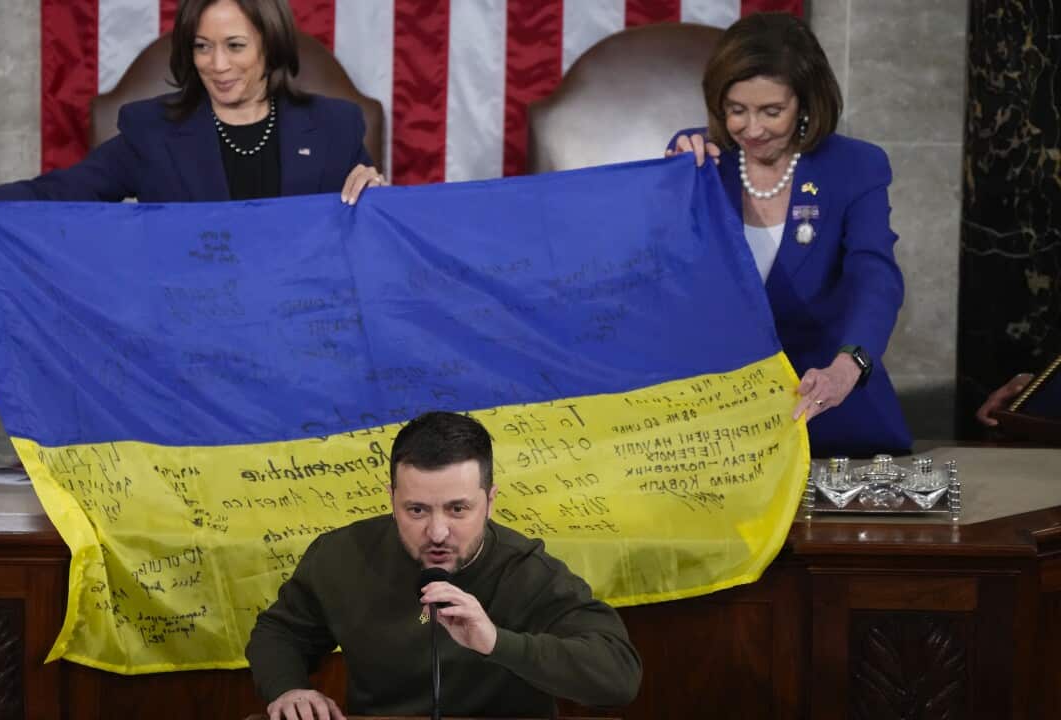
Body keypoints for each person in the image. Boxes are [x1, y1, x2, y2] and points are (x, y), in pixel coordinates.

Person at [245, 411, 642, 720]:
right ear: (392, 498)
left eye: (458, 509)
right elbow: (279, 632)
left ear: (490, 501)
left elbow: (618, 676)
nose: (437, 532)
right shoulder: (341, 556)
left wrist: (495, 642)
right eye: (416, 509)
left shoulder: (526, 570)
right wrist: (287, 689)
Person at [666, 12, 910, 458]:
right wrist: (671, 184)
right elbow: (659, 275)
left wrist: (848, 365)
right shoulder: (696, 159)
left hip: (826, 408)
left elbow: (875, 276)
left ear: (806, 102)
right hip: (717, 423)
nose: (752, 129)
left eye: (771, 111)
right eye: (736, 110)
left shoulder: (856, 166)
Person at [0, 0, 383, 232]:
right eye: (202, 46)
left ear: (270, 46)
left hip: (306, 337)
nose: (217, 64)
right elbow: (67, 190)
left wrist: (378, 198)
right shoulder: (152, 131)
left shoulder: (334, 127)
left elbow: (375, 231)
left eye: (235, 45)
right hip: (189, 344)